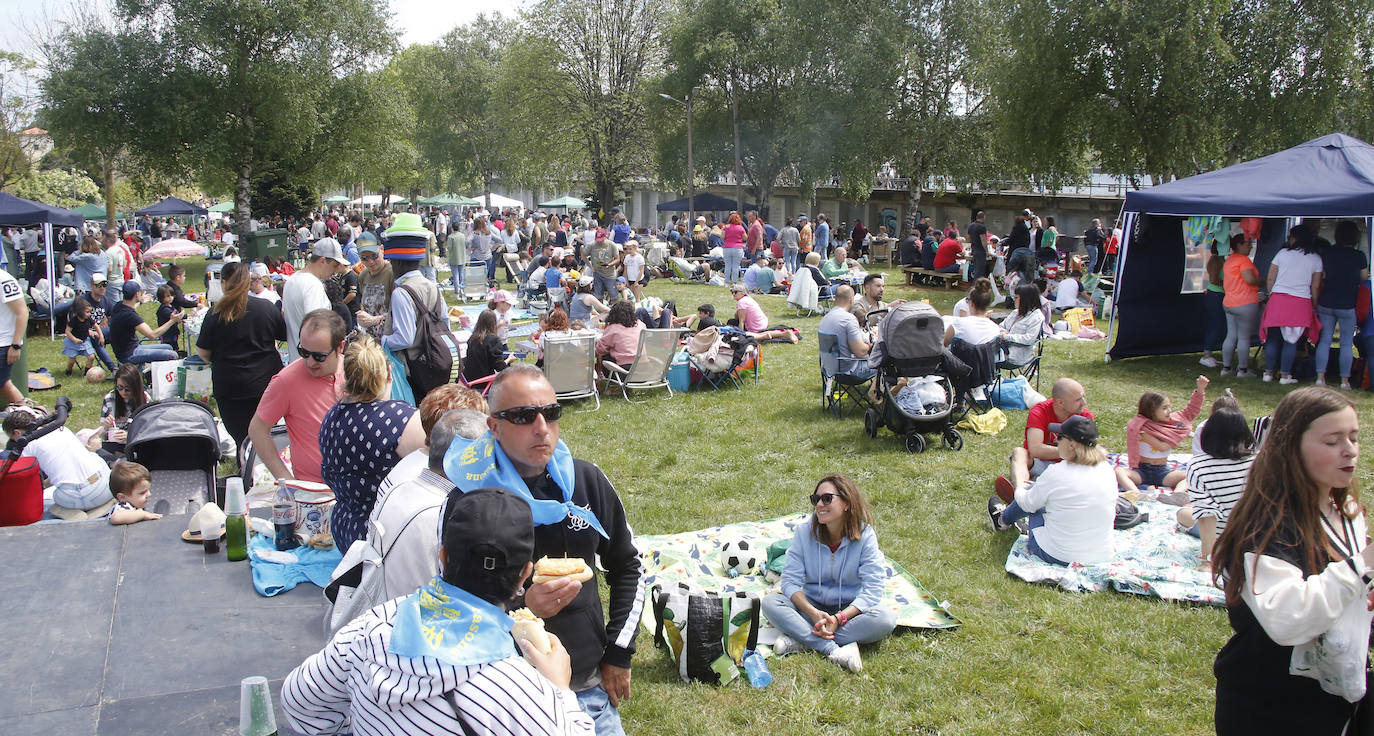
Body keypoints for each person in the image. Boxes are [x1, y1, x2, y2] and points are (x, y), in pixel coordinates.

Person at [282, 485, 595, 736]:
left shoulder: (372, 629)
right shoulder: (518, 692)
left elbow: (299, 702)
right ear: (525, 574)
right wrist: (560, 690)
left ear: (443, 556)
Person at [442, 366, 644, 734]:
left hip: (586, 686)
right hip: (497, 689)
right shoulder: (468, 501)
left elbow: (629, 566)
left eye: (550, 413)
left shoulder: (585, 482)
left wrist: (618, 652)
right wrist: (523, 610)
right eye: (522, 416)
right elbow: (447, 603)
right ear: (494, 427)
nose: (541, 427)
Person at [1212, 387, 1367, 734]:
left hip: (1332, 698)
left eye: (1353, 438)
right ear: (1291, 447)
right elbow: (1289, 620)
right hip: (1269, 708)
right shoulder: (1265, 527)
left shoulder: (1347, 512)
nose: (1349, 451)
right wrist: (1362, 566)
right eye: (1332, 441)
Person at [764, 474, 896, 673]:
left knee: (885, 618)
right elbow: (790, 582)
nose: (819, 505)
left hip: (849, 614)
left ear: (846, 503)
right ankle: (830, 648)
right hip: (810, 610)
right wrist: (814, 614)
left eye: (827, 498)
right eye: (815, 499)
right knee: (770, 603)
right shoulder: (804, 532)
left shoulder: (865, 536)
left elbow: (873, 590)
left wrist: (839, 619)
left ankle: (802, 639)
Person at [319, 334, 425, 553]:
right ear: (388, 371)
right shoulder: (401, 418)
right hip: (384, 537)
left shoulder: (331, 417)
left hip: (344, 531)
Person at [988, 415, 1116, 566]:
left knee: (1034, 500)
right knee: (1042, 495)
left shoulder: (1057, 472)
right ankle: (1010, 514)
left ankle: (1003, 519)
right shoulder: (1107, 470)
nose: (1056, 441)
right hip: (1102, 555)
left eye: (1060, 437)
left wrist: (1021, 488)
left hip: (1058, 554)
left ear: (1072, 445)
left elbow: (1027, 504)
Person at [195, 261, 287, 452]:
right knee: (266, 433)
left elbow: (203, 352)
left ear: (224, 283)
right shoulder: (266, 308)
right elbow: (284, 334)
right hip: (265, 382)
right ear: (249, 282)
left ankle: (245, 468)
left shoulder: (215, 313)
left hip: (230, 385)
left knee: (241, 438)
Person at [247, 309, 347, 484]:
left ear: (340, 347)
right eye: (304, 352)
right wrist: (287, 481)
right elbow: (257, 429)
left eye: (319, 356)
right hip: (314, 492)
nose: (310, 362)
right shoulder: (286, 381)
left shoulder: (356, 372)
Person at [380, 214, 457, 400]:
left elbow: (405, 338)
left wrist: (383, 340)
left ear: (395, 262)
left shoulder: (402, 292)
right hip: (435, 361)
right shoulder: (432, 286)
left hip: (415, 368)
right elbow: (444, 321)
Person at [1175, 406, 1254, 570]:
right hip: (1255, 537)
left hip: (1225, 539)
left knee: (1182, 514)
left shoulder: (1198, 466)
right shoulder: (1258, 461)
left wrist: (1208, 562)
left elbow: (1207, 516)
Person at [995, 377, 1093, 501]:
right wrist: (1068, 450)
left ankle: (1035, 490)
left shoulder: (1085, 416)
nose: (1084, 402)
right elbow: (1035, 449)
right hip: (1041, 463)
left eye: (1083, 397)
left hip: (1069, 467)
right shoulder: (1040, 412)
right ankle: (1021, 491)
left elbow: (1086, 452)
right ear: (1060, 402)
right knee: (1019, 452)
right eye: (1078, 399)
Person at [4, 408, 111, 514]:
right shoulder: (62, 429)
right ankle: (102, 503)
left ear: (17, 433)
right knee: (92, 455)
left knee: (55, 494)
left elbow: (29, 482)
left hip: (76, 498)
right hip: (106, 488)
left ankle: (72, 511)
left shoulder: (27, 446)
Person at [1118, 376, 1209, 493]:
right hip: (1141, 471)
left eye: (1169, 407)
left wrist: (1200, 390)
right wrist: (1175, 436)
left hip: (1162, 471)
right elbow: (1160, 446)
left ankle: (1177, 495)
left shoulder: (1172, 422)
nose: (1169, 410)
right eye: (1164, 408)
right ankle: (1136, 494)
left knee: (1191, 474)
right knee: (1119, 471)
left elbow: (1190, 412)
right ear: (1151, 410)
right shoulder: (1139, 426)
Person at [1260, 225, 1323, 384]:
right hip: (1301, 303)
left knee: (1273, 338)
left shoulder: (1282, 254)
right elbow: (1315, 286)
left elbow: (1270, 278)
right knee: (1292, 340)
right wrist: (1314, 304)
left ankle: (1268, 373)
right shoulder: (1315, 258)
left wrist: (1271, 294)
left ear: (1295, 238)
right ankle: (1285, 374)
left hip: (1278, 300)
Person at [1314, 221, 1369, 388]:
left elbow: (1321, 275)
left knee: (1324, 340)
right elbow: (1364, 278)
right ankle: (1344, 380)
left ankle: (1320, 378)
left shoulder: (1327, 253)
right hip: (1348, 304)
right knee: (1346, 342)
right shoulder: (1359, 256)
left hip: (1326, 302)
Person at [283, 238, 348, 361]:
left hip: (296, 359)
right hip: (314, 362)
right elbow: (317, 327)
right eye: (334, 265)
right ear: (322, 261)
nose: (335, 271)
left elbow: (284, 314)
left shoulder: (291, 280)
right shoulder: (313, 285)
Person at [107, 281, 181, 365]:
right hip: (129, 354)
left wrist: (140, 302)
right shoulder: (130, 315)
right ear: (136, 294)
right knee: (173, 355)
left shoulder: (119, 306)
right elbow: (152, 335)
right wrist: (172, 321)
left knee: (169, 347)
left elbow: (132, 307)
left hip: (128, 349)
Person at [1220, 233, 1261, 378]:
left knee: (1230, 336)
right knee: (1244, 337)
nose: (1250, 246)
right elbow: (1249, 279)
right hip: (1245, 302)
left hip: (1229, 302)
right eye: (1247, 243)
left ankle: (1226, 368)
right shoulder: (1244, 260)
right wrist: (1261, 281)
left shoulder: (1229, 260)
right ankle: (1243, 370)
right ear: (1238, 245)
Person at [818, 285, 875, 379]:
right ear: (851, 301)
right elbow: (860, 352)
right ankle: (877, 392)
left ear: (836, 299)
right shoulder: (848, 319)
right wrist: (871, 345)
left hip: (829, 369)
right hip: (848, 371)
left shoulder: (826, 317)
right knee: (884, 362)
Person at [353, 234, 393, 338]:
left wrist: (375, 320)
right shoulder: (363, 275)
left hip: (389, 336)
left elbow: (401, 313)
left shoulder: (392, 274)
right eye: (364, 258)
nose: (370, 261)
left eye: (374, 255)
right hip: (370, 337)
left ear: (382, 249)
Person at [463, 309, 517, 385]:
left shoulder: (472, 338)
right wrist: (509, 359)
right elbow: (499, 367)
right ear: (493, 323)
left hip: (470, 379)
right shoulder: (493, 340)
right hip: (485, 381)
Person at [1000, 283, 1046, 366]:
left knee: (983, 353)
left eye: (1016, 297)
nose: (1014, 299)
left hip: (1017, 355)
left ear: (1026, 298)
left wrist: (1007, 336)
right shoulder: (1015, 313)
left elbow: (1029, 339)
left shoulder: (1037, 317)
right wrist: (1002, 333)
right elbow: (1001, 326)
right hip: (1002, 349)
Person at [104, 461, 161, 525]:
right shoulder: (123, 506)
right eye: (142, 493)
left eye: (148, 490)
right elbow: (116, 517)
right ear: (122, 497)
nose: (149, 494)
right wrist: (143, 514)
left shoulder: (134, 503)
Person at [1199, 243, 1227, 368]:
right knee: (1215, 324)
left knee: (1217, 324)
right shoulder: (1215, 260)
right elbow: (1214, 279)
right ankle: (1206, 354)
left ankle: (1209, 354)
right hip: (1215, 295)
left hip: (1218, 295)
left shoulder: (1221, 259)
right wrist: (1230, 284)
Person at [596, 301, 643, 372]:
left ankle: (599, 374)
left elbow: (600, 349)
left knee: (603, 354)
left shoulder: (613, 328)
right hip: (642, 369)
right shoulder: (641, 325)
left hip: (623, 371)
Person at [61, 298, 97, 377]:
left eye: (90, 312)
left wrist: (101, 336)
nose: (89, 314)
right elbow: (67, 331)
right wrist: (74, 339)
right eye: (87, 312)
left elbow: (96, 326)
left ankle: (87, 373)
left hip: (85, 341)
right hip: (74, 341)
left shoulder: (88, 319)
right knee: (72, 359)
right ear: (80, 312)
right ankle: (68, 370)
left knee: (91, 357)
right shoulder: (74, 320)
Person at [586, 229, 620, 302]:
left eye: (601, 239)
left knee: (613, 295)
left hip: (609, 274)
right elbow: (583, 253)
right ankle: (601, 311)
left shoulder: (611, 245)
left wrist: (609, 264)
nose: (599, 241)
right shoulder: (592, 245)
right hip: (597, 273)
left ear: (605, 237)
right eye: (598, 240)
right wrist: (590, 266)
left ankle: (615, 310)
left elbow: (617, 259)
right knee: (598, 295)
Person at [721, 213, 747, 284]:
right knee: (736, 266)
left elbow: (722, 237)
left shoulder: (726, 227)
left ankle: (726, 282)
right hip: (738, 248)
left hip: (727, 248)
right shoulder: (740, 227)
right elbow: (745, 237)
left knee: (727, 266)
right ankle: (734, 282)